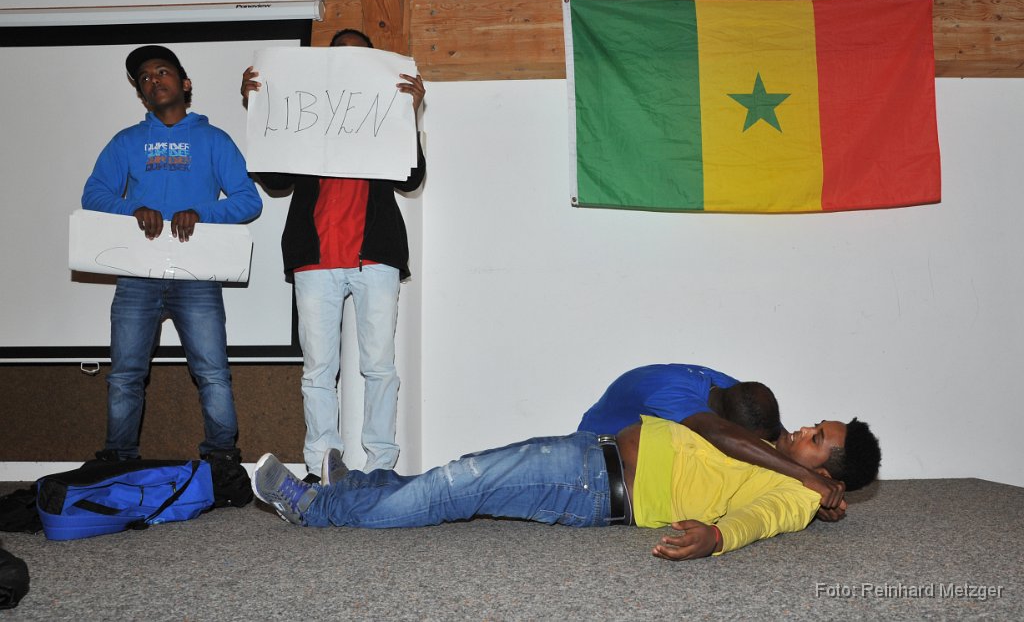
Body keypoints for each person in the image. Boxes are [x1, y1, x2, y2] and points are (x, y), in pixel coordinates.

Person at [251, 413, 881, 560]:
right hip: (591, 454)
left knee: (462, 484)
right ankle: (361, 488)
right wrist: (802, 467)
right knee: (467, 473)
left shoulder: (796, 493)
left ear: (830, 474)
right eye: (815, 425)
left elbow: (758, 521)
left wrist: (716, 537)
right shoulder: (777, 457)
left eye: (817, 439)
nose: (804, 429)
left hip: (595, 485)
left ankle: (315, 508)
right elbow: (706, 424)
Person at [240, 29, 426, 479]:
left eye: (361, 58)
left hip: (375, 256)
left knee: (380, 367)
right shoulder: (305, 111)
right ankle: (323, 465)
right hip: (315, 257)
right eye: (342, 57)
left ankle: (381, 467)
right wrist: (258, 109)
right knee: (318, 371)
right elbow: (275, 181)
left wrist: (409, 113)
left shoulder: (383, 111)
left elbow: (411, 178)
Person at [82, 45, 263, 463]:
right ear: (141, 94)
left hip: (196, 274)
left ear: (185, 83)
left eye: (162, 71)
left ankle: (222, 460)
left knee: (213, 373)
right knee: (125, 376)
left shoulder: (214, 139)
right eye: (145, 78)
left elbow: (248, 200)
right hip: (136, 275)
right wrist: (132, 208)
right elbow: (93, 195)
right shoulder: (126, 141)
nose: (153, 80)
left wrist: (202, 212)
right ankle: (119, 460)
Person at [579, 364, 848, 518]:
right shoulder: (672, 394)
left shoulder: (734, 393)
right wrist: (805, 477)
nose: (805, 429)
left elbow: (770, 434)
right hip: (594, 459)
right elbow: (720, 435)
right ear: (730, 427)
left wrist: (812, 496)